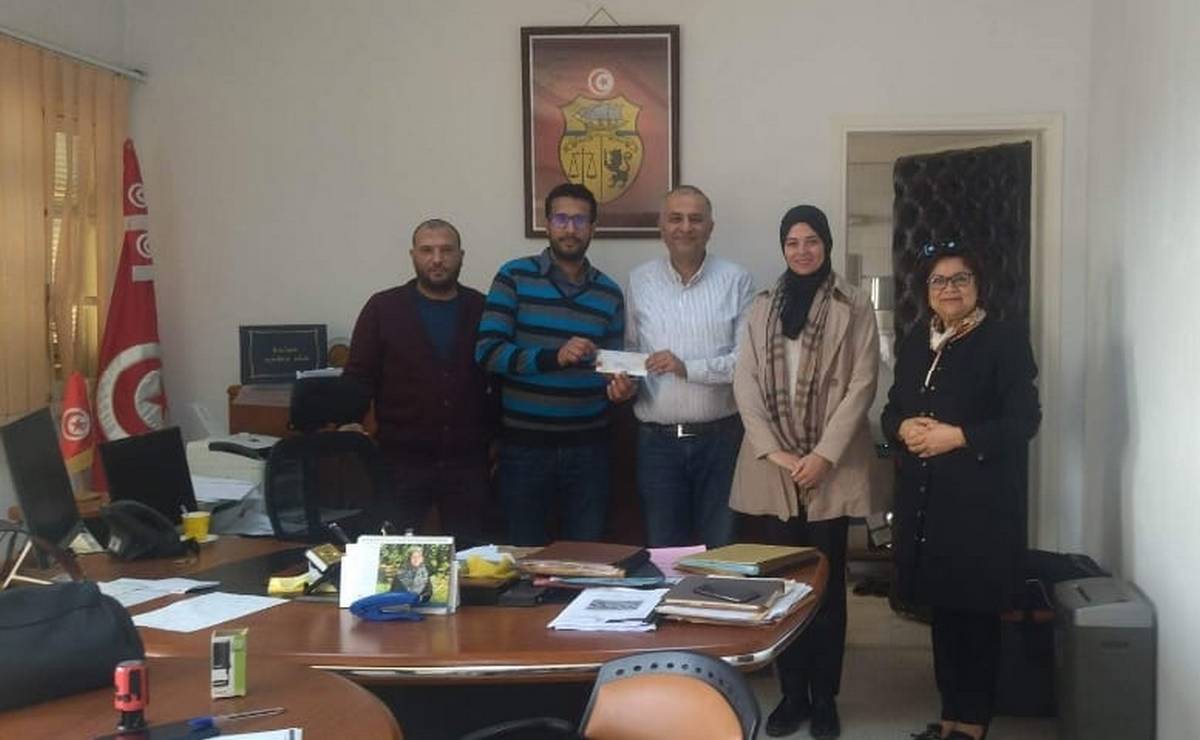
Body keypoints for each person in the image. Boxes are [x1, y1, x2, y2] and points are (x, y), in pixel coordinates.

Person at [730, 205, 879, 739]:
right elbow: (745, 382)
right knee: (782, 587)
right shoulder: (762, 306)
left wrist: (823, 456)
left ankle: (825, 698)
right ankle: (792, 695)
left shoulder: (853, 304)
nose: (802, 251)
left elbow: (863, 383)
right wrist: (776, 453)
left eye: (811, 240)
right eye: (792, 242)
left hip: (829, 468)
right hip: (776, 469)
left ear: (827, 244)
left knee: (827, 589)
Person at [882, 241, 1040, 740]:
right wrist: (902, 426)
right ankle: (950, 717)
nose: (949, 289)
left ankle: (971, 726)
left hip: (980, 503)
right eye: (939, 280)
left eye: (960, 279)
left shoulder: (1004, 339)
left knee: (976, 618)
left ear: (977, 286)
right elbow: (891, 408)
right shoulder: (918, 340)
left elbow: (1024, 421)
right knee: (945, 616)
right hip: (927, 502)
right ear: (927, 290)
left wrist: (958, 436)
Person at [475, 183, 636, 545]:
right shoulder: (514, 277)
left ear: (593, 228)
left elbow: (610, 366)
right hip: (524, 449)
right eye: (561, 219)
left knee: (586, 557)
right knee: (524, 555)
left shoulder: (609, 292)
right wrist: (553, 357)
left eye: (580, 220)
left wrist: (622, 388)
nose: (570, 229)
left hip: (590, 450)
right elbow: (487, 352)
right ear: (547, 224)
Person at [344, 218, 497, 540]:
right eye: (427, 250)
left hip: (468, 463)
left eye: (446, 250)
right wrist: (350, 420)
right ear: (413, 255)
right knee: (393, 556)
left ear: (461, 256)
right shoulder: (383, 308)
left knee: (473, 556)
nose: (437, 259)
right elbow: (359, 374)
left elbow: (498, 378)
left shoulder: (483, 308)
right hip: (401, 462)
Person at [625, 185, 755, 547]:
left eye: (696, 219)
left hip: (721, 441)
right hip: (657, 446)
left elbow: (745, 364)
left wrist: (687, 368)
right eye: (676, 218)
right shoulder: (639, 280)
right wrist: (624, 382)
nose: (685, 227)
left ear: (711, 227)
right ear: (661, 226)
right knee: (665, 553)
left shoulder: (736, 279)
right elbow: (632, 351)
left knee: (721, 553)